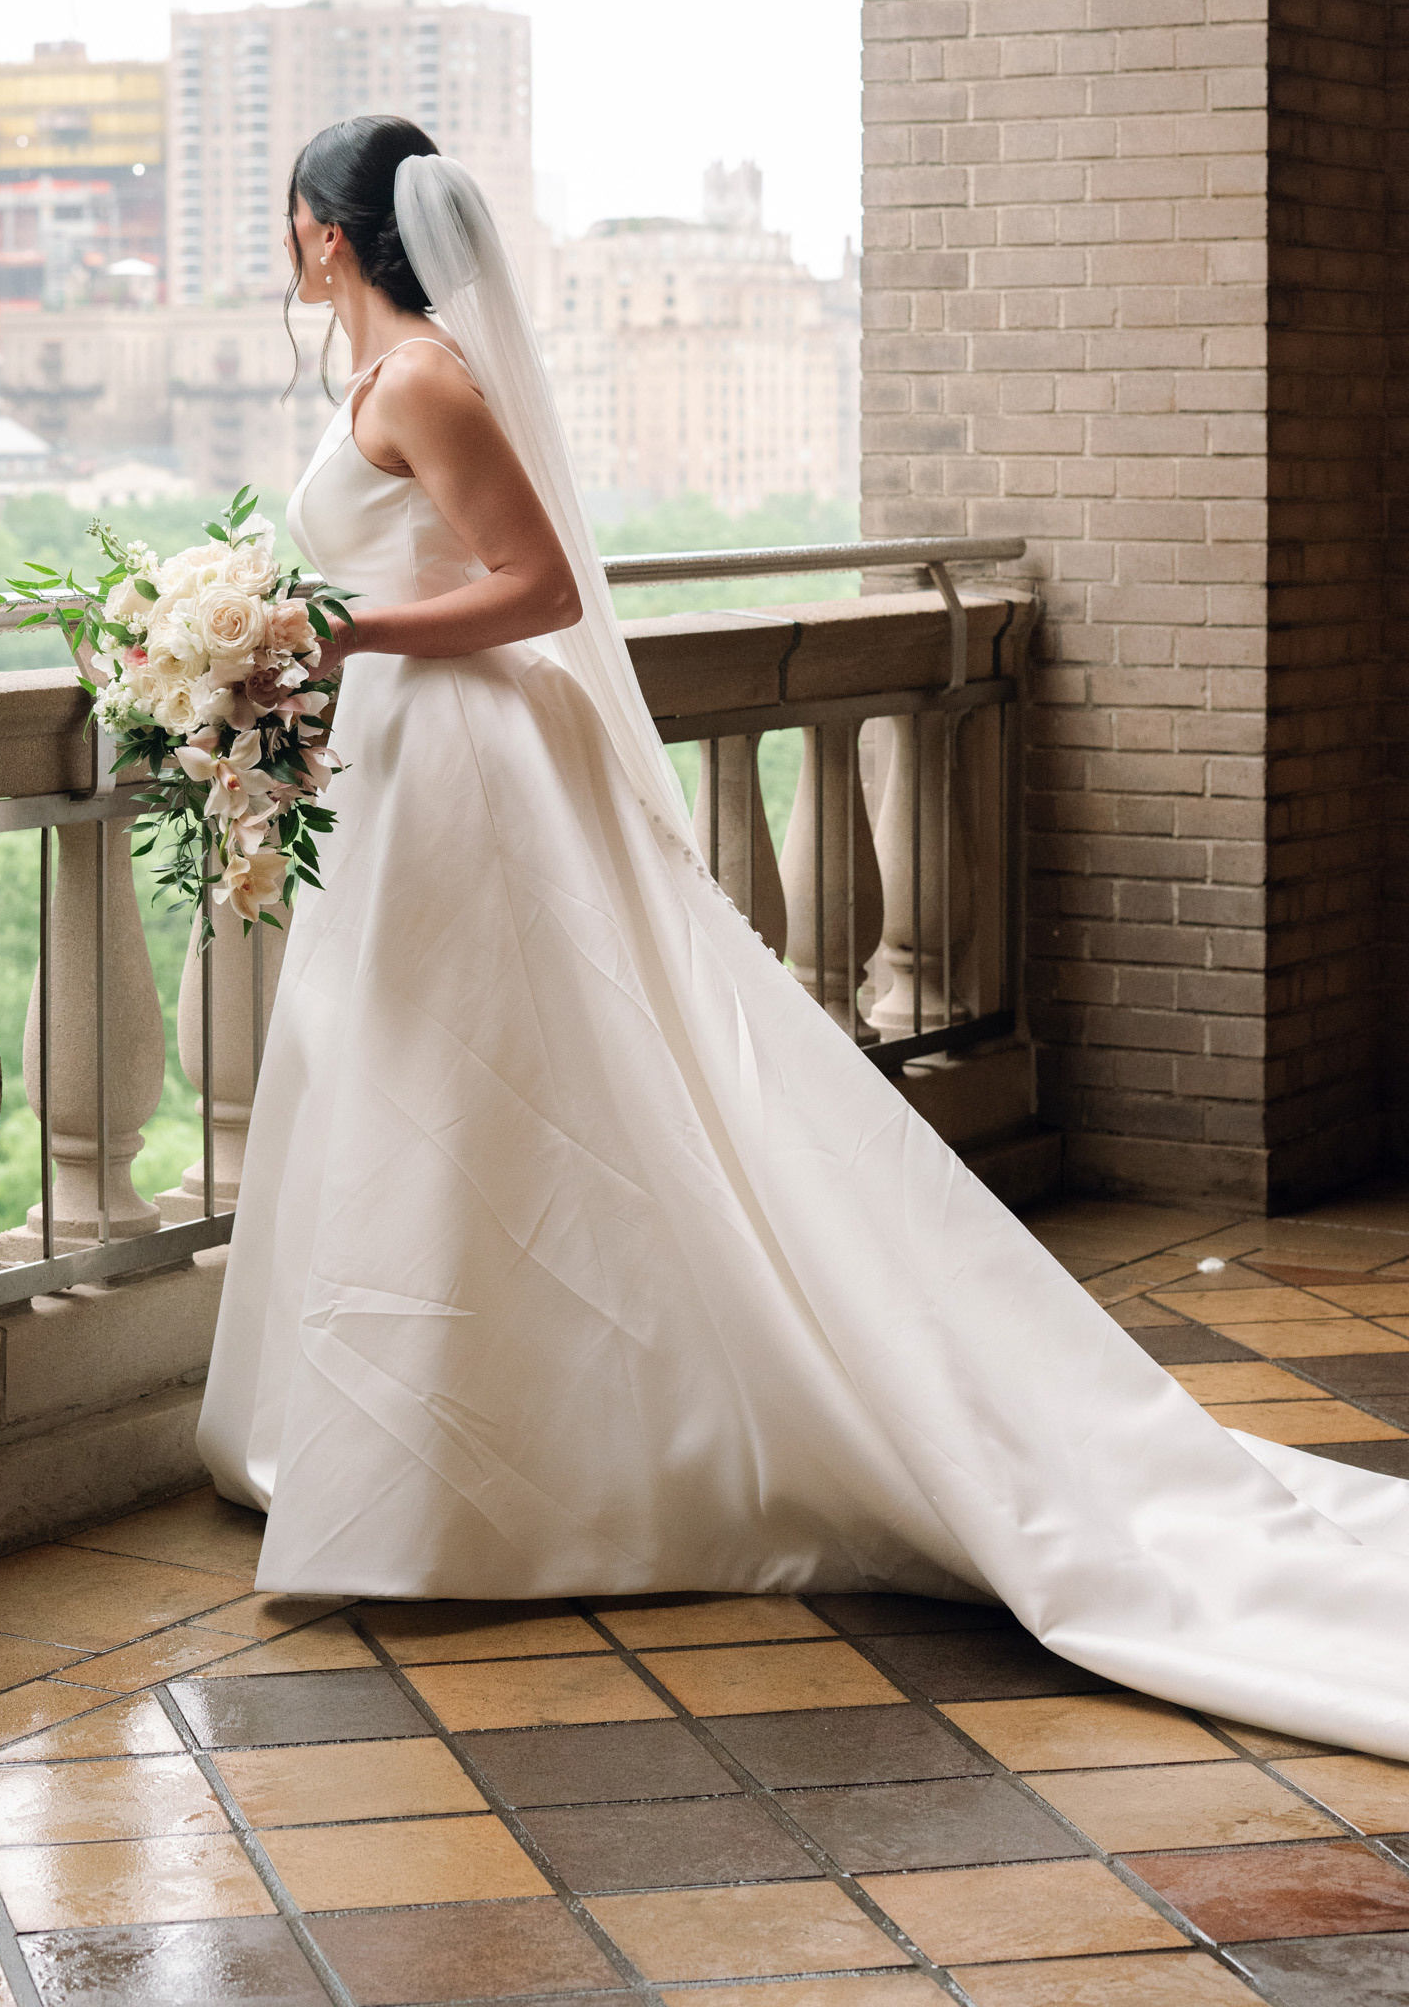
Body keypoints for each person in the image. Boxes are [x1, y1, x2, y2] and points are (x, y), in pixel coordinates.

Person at [198, 113, 1409, 1762]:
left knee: (501, 1087)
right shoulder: (377, 380)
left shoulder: (419, 379)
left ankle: (506, 1471)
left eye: (288, 218)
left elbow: (540, 586)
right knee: (426, 1087)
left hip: (474, 765)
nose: (285, 241)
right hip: (409, 768)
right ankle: (426, 1445)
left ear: (322, 232)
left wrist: (330, 633)